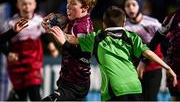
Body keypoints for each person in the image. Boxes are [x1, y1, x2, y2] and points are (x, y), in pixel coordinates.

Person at [47, 6, 177, 101]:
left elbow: (72, 39)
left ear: (103, 24)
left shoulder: (97, 37)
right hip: (135, 87)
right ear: (124, 22)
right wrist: (168, 67)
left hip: (115, 89)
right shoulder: (132, 37)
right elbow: (148, 52)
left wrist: (56, 31)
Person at [0, 0, 59, 101]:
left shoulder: (39, 21)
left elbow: (43, 35)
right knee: (21, 95)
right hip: (16, 64)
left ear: (35, 5)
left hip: (33, 63)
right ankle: (14, 95)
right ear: (18, 5)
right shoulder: (10, 23)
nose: (27, 7)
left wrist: (51, 46)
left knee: (34, 92)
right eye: (24, 4)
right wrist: (8, 53)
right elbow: (2, 42)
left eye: (30, 4)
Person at [42, 0, 97, 101]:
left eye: (73, 3)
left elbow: (84, 56)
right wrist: (51, 23)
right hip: (66, 80)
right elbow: (63, 21)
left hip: (76, 84)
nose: (68, 6)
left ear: (84, 8)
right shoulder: (75, 20)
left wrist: (64, 41)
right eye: (67, 2)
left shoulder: (84, 27)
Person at [121, 0, 164, 101]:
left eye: (133, 5)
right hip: (133, 72)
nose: (131, 8)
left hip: (153, 70)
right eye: (127, 5)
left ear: (139, 6)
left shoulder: (153, 23)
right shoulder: (123, 27)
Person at [149, 9, 180, 101]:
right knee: (176, 97)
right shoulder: (174, 17)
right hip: (176, 69)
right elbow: (155, 40)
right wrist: (143, 60)